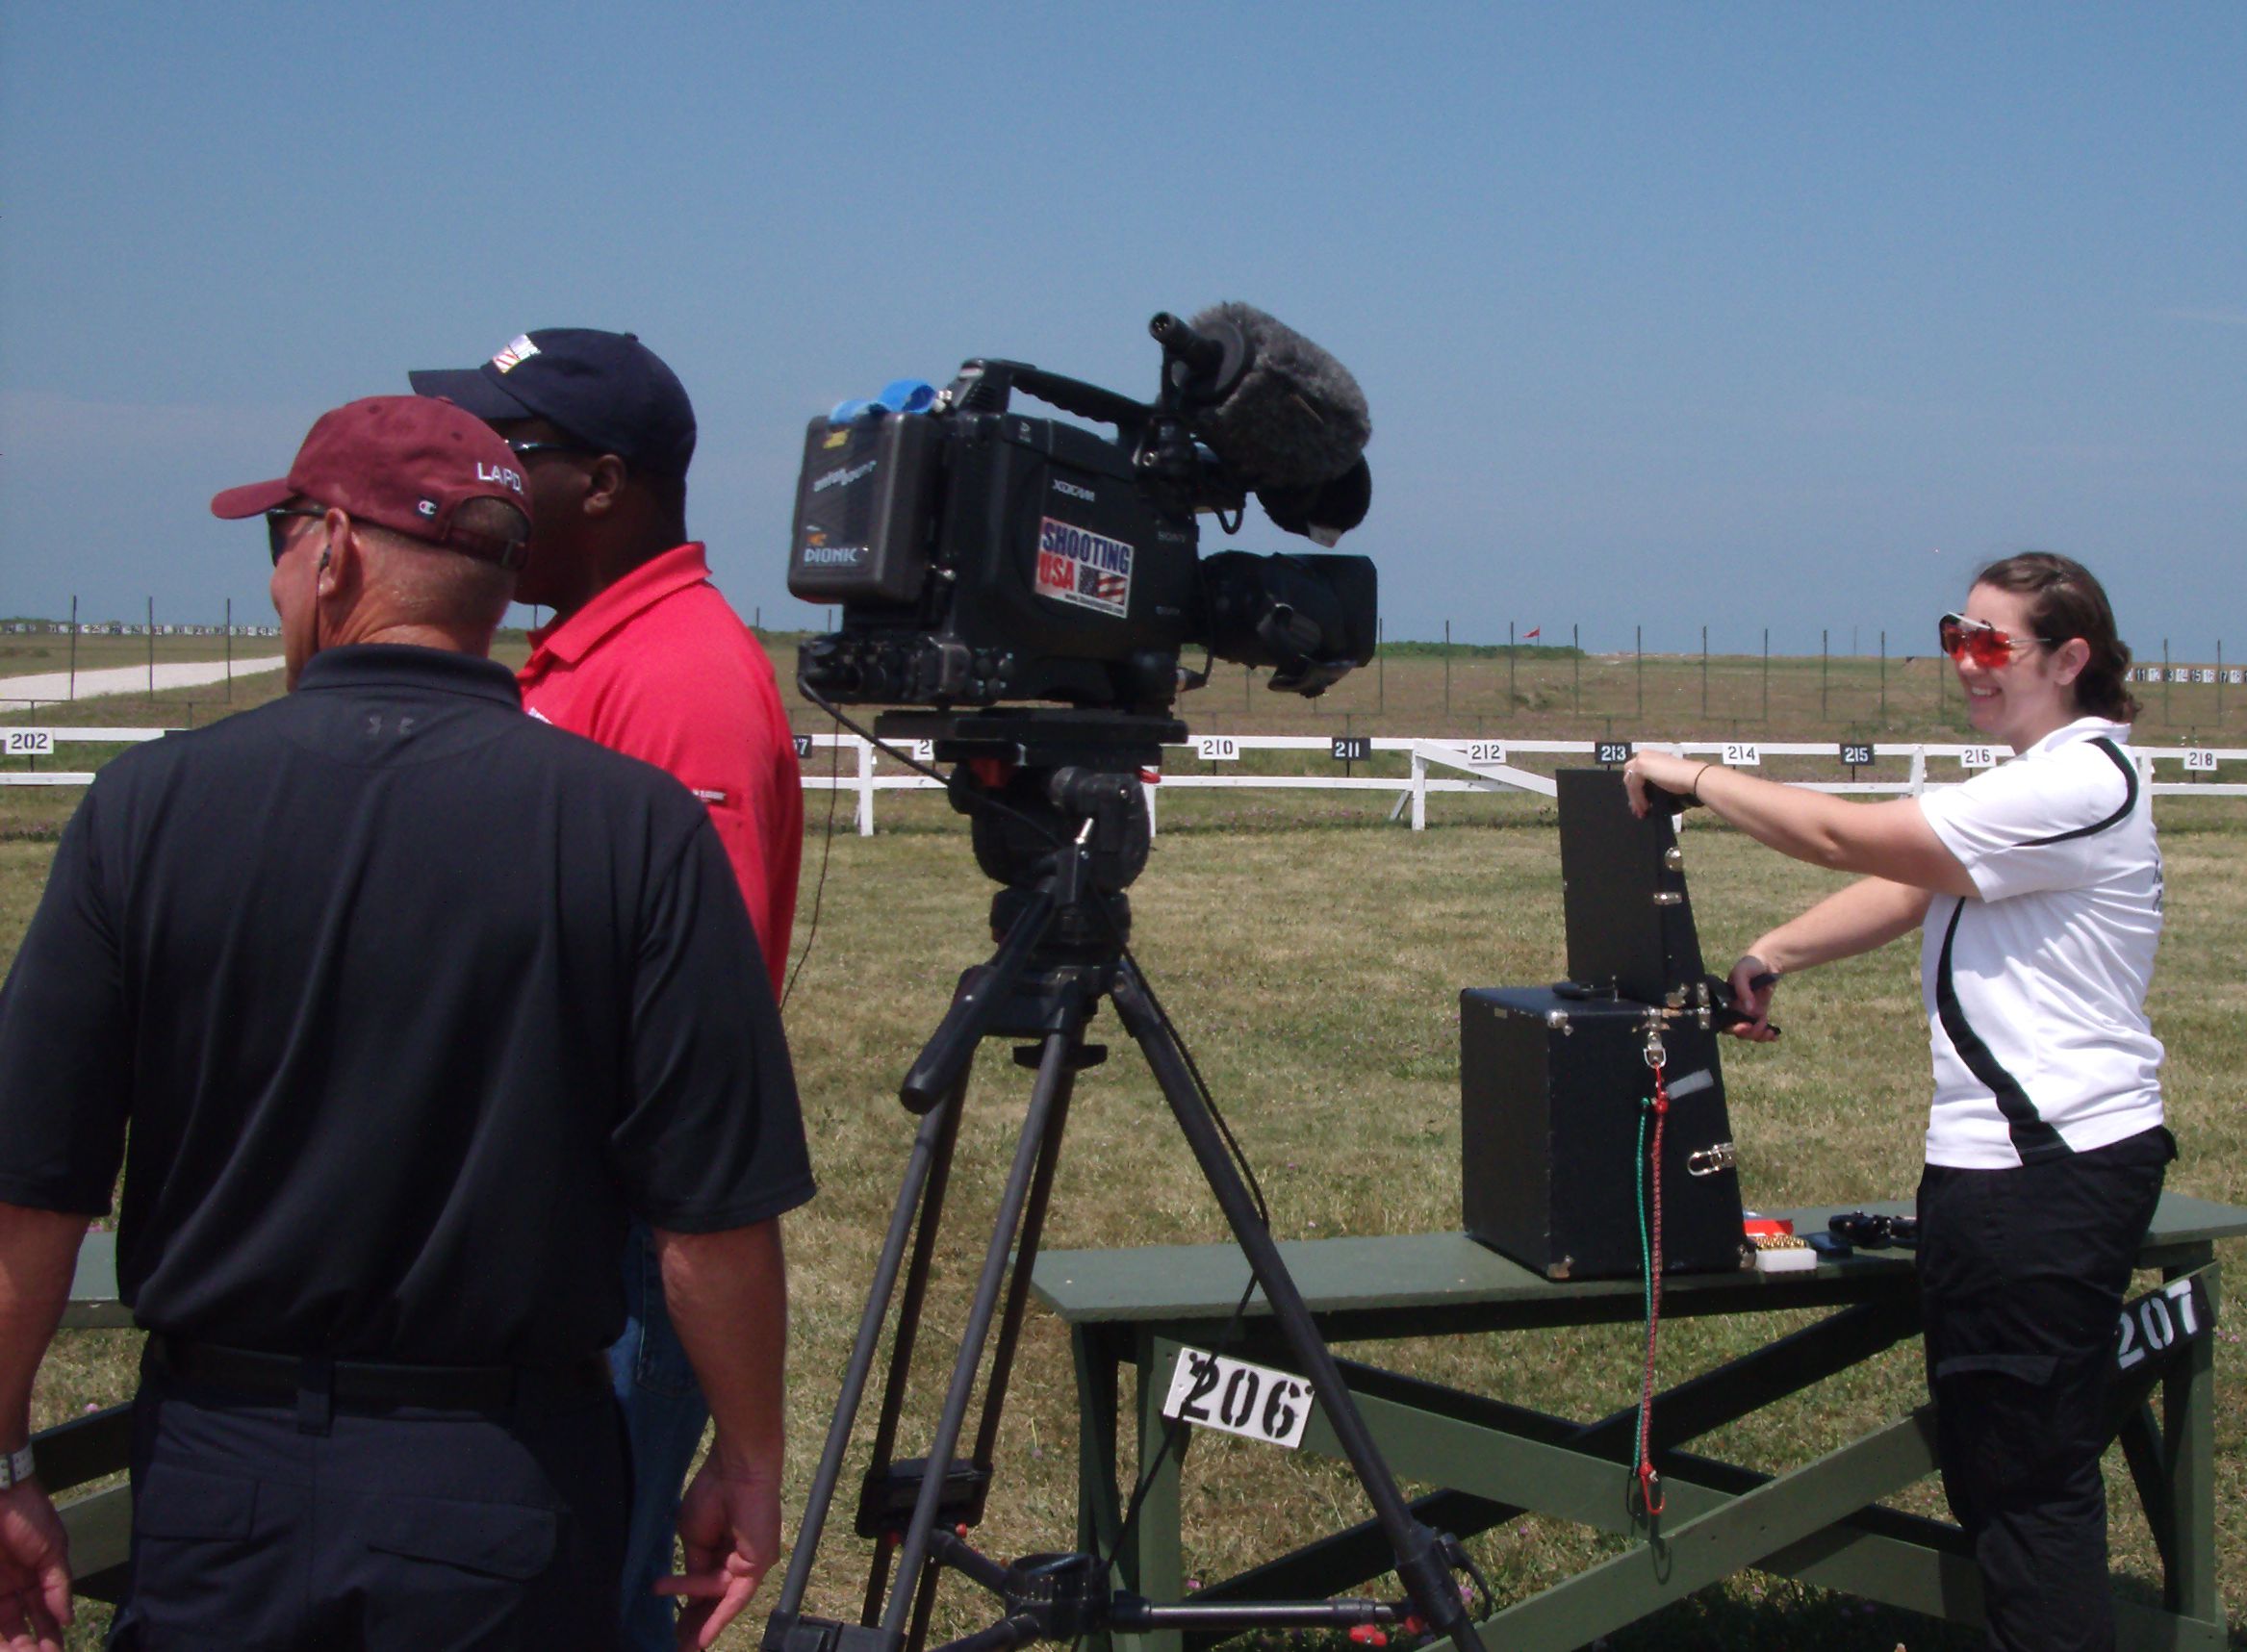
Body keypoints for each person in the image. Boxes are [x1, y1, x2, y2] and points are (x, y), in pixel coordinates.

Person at [0, 395, 813, 1652]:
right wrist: (747, 1456)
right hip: (507, 1481)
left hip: (224, 1478)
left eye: (275, 543)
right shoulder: (634, 827)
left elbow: (32, 1197)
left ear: (332, 550)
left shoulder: (146, 809)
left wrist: (6, 1460)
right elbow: (709, 1218)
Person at [1622, 552, 2168, 1652]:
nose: (1964, 664)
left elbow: (1849, 834)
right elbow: (1916, 882)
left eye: (1989, 644)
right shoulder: (2034, 782)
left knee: (2027, 1486)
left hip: (2043, 1176)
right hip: (2001, 1176)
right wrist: (1776, 948)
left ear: (2069, 658)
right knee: (2001, 1470)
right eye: (1953, 637)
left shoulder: (2079, 778)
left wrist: (1696, 778)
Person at [410, 329, 804, 1651]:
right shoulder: (592, 655)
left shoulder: (676, 679)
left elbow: (686, 1030)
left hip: (621, 1249)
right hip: (559, 1233)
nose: (480, 476)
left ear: (604, 482)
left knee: (585, 1593)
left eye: (508, 450)